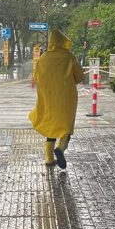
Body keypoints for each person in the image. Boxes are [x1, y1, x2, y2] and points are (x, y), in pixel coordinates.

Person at [29, 29, 84, 169]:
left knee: (50, 127)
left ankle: (48, 158)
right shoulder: (69, 57)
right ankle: (60, 148)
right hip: (66, 98)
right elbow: (80, 77)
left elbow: (36, 77)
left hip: (48, 97)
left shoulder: (42, 58)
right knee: (66, 126)